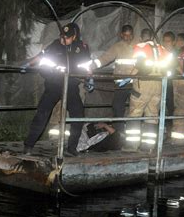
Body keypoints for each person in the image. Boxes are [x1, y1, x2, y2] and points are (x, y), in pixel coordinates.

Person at [21, 22, 90, 157]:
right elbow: (42, 55)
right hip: (54, 85)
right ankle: (28, 145)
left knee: (78, 116)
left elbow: (87, 65)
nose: (63, 40)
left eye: (67, 37)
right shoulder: (55, 45)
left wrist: (90, 78)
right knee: (42, 114)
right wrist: (29, 63)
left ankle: (72, 147)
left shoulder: (81, 47)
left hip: (70, 87)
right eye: (62, 37)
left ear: (74, 37)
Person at [123, 40, 173, 152]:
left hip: (144, 84)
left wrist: (129, 76)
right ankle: (148, 147)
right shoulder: (162, 49)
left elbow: (140, 66)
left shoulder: (141, 48)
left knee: (135, 114)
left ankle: (131, 146)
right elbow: (170, 67)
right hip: (158, 84)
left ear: (142, 37)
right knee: (152, 115)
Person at [86, 24, 135, 135]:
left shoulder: (137, 47)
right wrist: (92, 66)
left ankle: (132, 137)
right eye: (125, 35)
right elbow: (105, 58)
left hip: (136, 84)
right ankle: (119, 134)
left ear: (133, 35)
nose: (127, 38)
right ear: (121, 35)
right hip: (121, 84)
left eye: (130, 35)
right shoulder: (117, 47)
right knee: (117, 108)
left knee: (134, 111)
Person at [162, 31, 176, 118]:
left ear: (173, 42)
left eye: (168, 41)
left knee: (171, 105)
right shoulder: (160, 52)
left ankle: (170, 125)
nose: (166, 43)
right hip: (161, 82)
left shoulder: (176, 54)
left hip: (172, 83)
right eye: (164, 41)